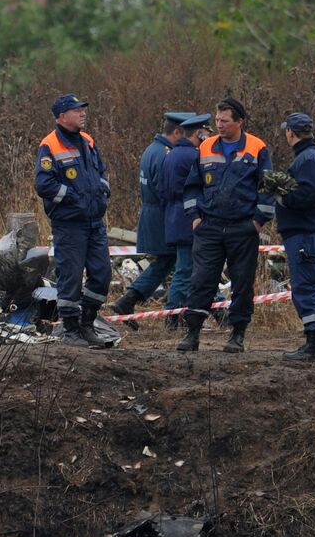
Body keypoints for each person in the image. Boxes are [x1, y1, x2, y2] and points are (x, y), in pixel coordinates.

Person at [175, 98, 275, 353]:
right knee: (201, 280)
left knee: (242, 281)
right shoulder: (206, 147)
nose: (219, 125)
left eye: (225, 121)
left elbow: (268, 188)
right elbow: (192, 186)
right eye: (217, 120)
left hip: (243, 228)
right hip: (209, 227)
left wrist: (258, 221)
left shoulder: (257, 148)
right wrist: (195, 218)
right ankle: (192, 332)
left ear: (239, 122)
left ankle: (237, 334)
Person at [34, 93, 113, 348]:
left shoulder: (88, 141)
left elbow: (101, 170)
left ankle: (87, 324)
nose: (83, 113)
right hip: (69, 224)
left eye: (83, 109)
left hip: (94, 221)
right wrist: (74, 198)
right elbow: (44, 184)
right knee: (70, 276)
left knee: (102, 274)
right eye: (77, 110)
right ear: (62, 116)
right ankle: (70, 331)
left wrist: (102, 190)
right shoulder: (49, 145)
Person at [111, 112, 191, 316]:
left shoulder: (151, 149)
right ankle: (174, 313)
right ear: (177, 132)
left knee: (166, 263)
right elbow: (165, 189)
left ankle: (129, 299)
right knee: (183, 264)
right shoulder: (165, 153)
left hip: (152, 214)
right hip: (163, 216)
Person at [275, 112, 315, 362]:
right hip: (303, 231)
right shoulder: (308, 157)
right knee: (304, 284)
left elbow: (309, 193)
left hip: (303, 231)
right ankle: (312, 341)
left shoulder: (307, 159)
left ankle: (314, 344)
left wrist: (282, 196)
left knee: (306, 285)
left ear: (291, 134)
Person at [153, 113, 209, 326]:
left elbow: (161, 189)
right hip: (188, 219)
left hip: (173, 218)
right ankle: (172, 314)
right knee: (185, 270)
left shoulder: (171, 154)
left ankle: (209, 310)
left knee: (190, 268)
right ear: (199, 134)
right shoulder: (192, 156)